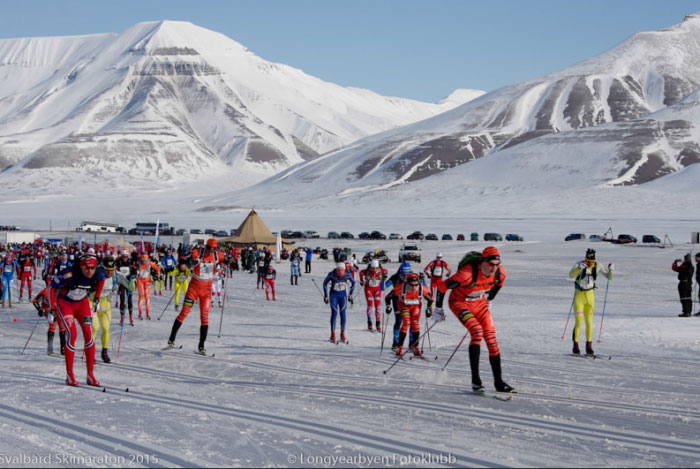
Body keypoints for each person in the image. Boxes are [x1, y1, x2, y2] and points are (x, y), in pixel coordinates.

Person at [437, 247, 513, 393]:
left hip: (479, 303)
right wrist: (438, 309)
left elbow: (498, 285)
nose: (494, 268)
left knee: (491, 339)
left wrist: (490, 299)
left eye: (497, 264)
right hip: (459, 302)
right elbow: (442, 287)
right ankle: (476, 381)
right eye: (491, 264)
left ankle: (498, 382)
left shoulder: (499, 273)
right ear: (482, 262)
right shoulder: (465, 274)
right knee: (477, 331)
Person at [49, 254, 106, 386]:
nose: (89, 271)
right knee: (72, 335)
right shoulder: (68, 274)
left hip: (82, 303)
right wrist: (52, 309)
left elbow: (102, 280)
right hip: (65, 303)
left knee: (88, 334)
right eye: (86, 268)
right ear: (81, 267)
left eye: (92, 267)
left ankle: (90, 374)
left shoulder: (98, 273)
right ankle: (69, 374)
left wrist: (97, 298)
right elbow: (51, 287)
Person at [167, 238, 222, 354]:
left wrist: (231, 263)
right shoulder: (198, 252)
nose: (210, 252)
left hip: (206, 292)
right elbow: (182, 257)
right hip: (193, 289)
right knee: (184, 312)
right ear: (206, 247)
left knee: (204, 317)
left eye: (213, 250)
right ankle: (171, 339)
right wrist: (186, 262)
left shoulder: (217, 255)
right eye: (209, 249)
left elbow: (227, 260)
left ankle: (201, 346)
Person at [568, 248, 614, 352]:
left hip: (590, 296)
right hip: (579, 296)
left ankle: (588, 345)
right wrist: (579, 269)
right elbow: (571, 275)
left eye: (592, 261)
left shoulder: (598, 266)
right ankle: (575, 345)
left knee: (589, 322)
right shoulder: (579, 264)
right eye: (588, 261)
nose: (590, 263)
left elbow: (609, 278)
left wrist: (611, 270)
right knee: (579, 321)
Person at [384, 273, 433, 356]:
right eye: (411, 285)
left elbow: (430, 299)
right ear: (407, 283)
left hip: (416, 306)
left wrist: (429, 308)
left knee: (415, 324)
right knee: (406, 322)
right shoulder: (401, 287)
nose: (414, 287)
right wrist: (388, 306)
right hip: (404, 306)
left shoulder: (421, 288)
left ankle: (415, 347)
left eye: (416, 285)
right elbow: (388, 296)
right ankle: (400, 347)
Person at [322, 262, 355, 344]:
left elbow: (353, 283)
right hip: (334, 295)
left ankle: (342, 334)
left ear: (344, 270)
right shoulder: (332, 274)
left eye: (342, 270)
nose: (340, 272)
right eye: (338, 270)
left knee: (343, 314)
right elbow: (325, 283)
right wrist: (325, 295)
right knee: (334, 313)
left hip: (343, 296)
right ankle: (332, 335)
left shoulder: (347, 274)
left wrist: (351, 293)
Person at [91, 257, 116, 363]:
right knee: (94, 328)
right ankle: (90, 352)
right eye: (107, 270)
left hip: (105, 304)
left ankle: (104, 352)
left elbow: (132, 288)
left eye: (111, 270)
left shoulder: (115, 275)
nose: (109, 272)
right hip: (92, 303)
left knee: (106, 328)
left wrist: (132, 277)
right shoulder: (96, 273)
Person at [32, 287, 66, 356]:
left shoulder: (62, 290)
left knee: (62, 326)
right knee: (52, 324)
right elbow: (35, 301)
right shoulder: (46, 291)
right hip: (48, 309)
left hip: (59, 309)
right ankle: (50, 348)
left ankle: (63, 348)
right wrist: (39, 309)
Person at [359, 259, 388, 331]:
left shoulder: (381, 271)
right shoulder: (367, 271)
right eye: (372, 268)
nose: (374, 269)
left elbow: (386, 271)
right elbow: (360, 272)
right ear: (370, 267)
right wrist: (361, 281)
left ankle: (378, 323)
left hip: (377, 289)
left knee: (377, 306)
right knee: (370, 306)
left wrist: (385, 276)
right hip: (368, 289)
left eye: (376, 268)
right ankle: (369, 323)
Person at [115, 250, 136, 326]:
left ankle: (131, 317)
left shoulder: (130, 262)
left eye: (126, 257)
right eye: (123, 256)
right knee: (122, 300)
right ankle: (122, 317)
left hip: (128, 283)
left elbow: (135, 271)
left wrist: (133, 275)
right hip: (121, 284)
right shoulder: (119, 262)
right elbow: (115, 271)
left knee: (129, 301)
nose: (125, 258)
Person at [136, 253, 159, 320]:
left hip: (147, 280)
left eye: (145, 259)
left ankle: (147, 313)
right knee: (140, 295)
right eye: (143, 259)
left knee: (146, 296)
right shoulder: (138, 263)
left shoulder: (150, 263)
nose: (144, 261)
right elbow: (133, 267)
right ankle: (140, 314)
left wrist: (158, 275)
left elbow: (157, 268)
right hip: (140, 280)